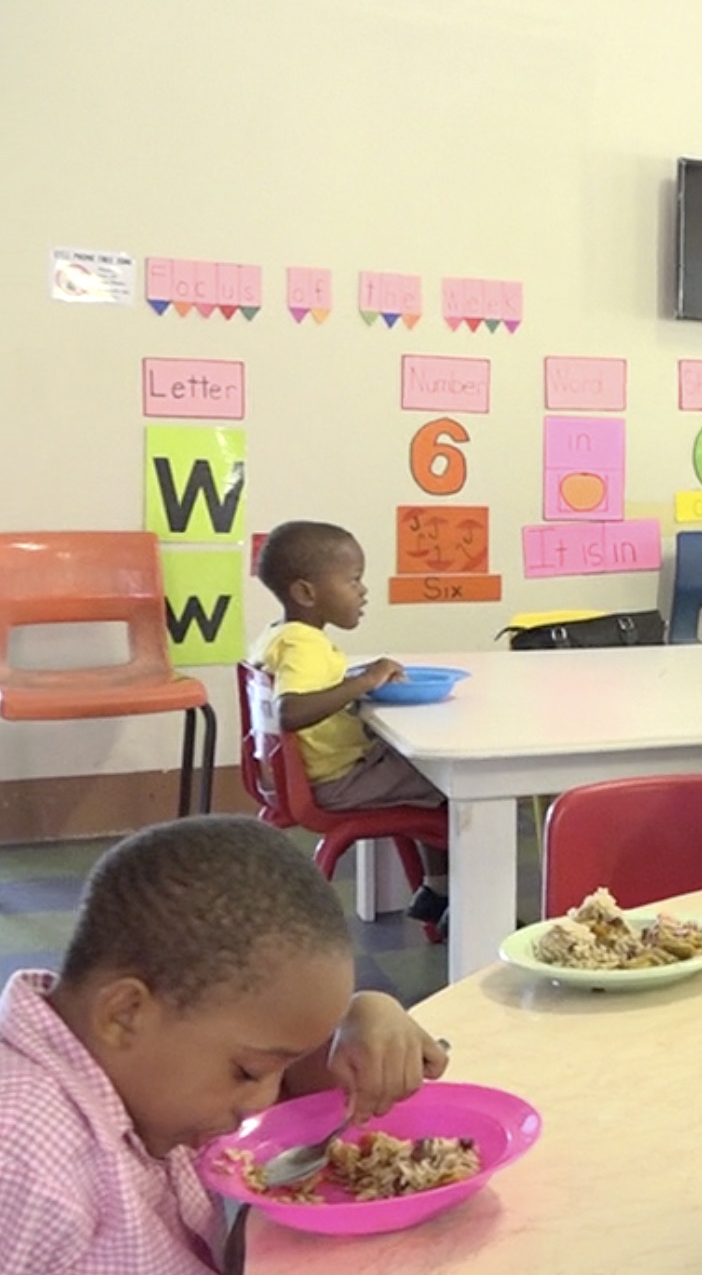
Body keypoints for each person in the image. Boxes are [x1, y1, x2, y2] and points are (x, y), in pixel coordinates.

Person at [0, 815, 447, 1273]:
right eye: (248, 1073)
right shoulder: (23, 1155)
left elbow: (300, 1078)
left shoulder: (144, 1076)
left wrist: (363, 1017)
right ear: (124, 1014)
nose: (262, 1104)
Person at [250, 520, 450, 935]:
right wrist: (362, 681)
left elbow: (305, 688)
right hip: (338, 781)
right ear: (306, 592)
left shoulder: (279, 637)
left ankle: (437, 890)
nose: (362, 591)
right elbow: (291, 710)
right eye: (353, 580)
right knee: (451, 782)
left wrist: (357, 675)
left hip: (307, 777)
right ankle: (454, 899)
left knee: (422, 770)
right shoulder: (304, 644)